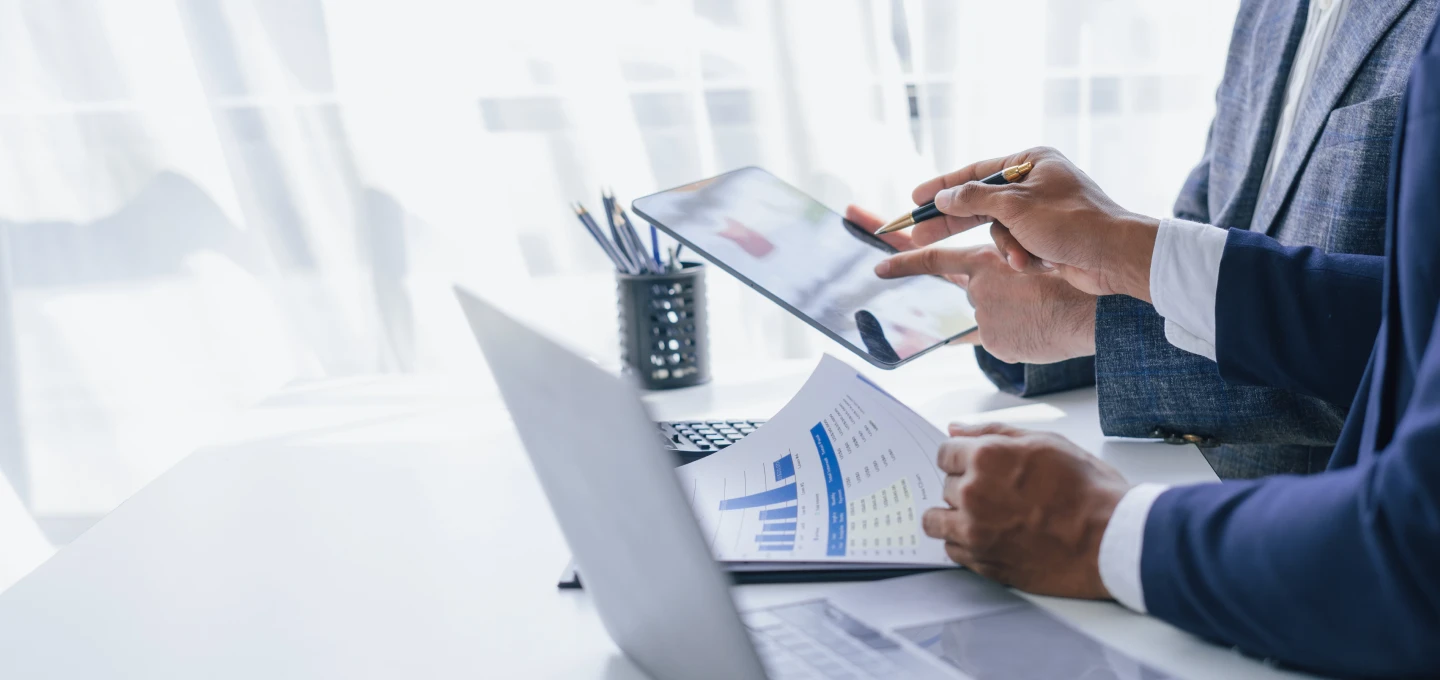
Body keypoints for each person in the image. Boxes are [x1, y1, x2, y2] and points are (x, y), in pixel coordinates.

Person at [898, 12, 1440, 675]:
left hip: (1313, 585)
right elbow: (1212, 237)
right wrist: (1098, 274)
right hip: (1237, 578)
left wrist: (1099, 528)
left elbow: (1401, 358)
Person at [849, 0, 1439, 479]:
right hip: (1182, 492)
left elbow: (1412, 346)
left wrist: (1091, 316)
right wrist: (1049, 287)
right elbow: (1208, 242)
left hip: (1339, 550)